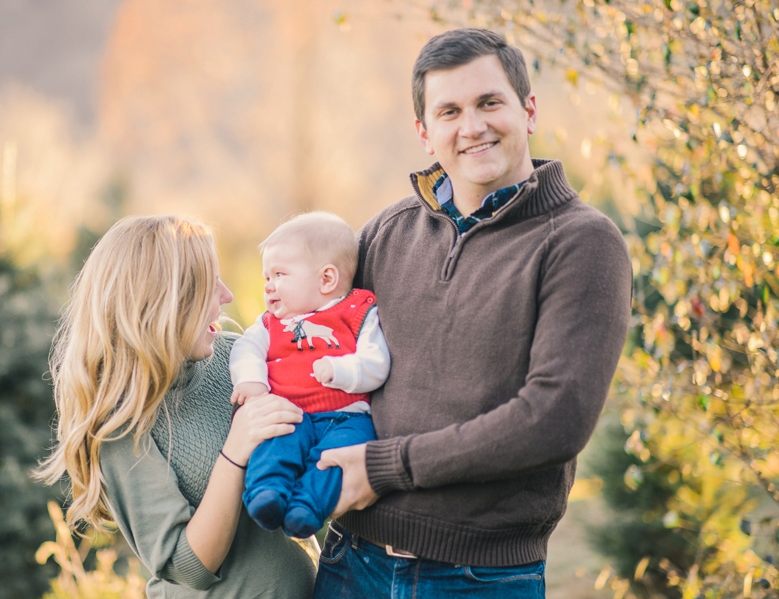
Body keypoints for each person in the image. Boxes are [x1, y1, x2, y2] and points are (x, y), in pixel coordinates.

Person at [313, 28, 633, 598]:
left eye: (489, 103)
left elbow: (554, 418)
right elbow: (311, 341)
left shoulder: (582, 243)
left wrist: (386, 466)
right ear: (424, 132)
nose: (472, 127)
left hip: (479, 579)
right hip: (349, 563)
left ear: (528, 109)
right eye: (450, 111)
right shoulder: (388, 233)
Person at [36, 215, 316, 599]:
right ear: (165, 302)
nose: (227, 295)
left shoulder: (238, 358)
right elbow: (189, 566)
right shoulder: (123, 425)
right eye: (209, 284)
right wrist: (236, 450)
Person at [229, 212, 390, 539]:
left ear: (327, 279)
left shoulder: (359, 313)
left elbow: (377, 362)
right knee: (276, 442)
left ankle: (308, 506)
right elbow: (246, 349)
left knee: (340, 455)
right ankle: (267, 491)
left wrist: (341, 370)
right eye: (266, 278)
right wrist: (252, 381)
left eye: (279, 274)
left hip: (348, 416)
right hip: (290, 411)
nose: (269, 286)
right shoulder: (269, 324)